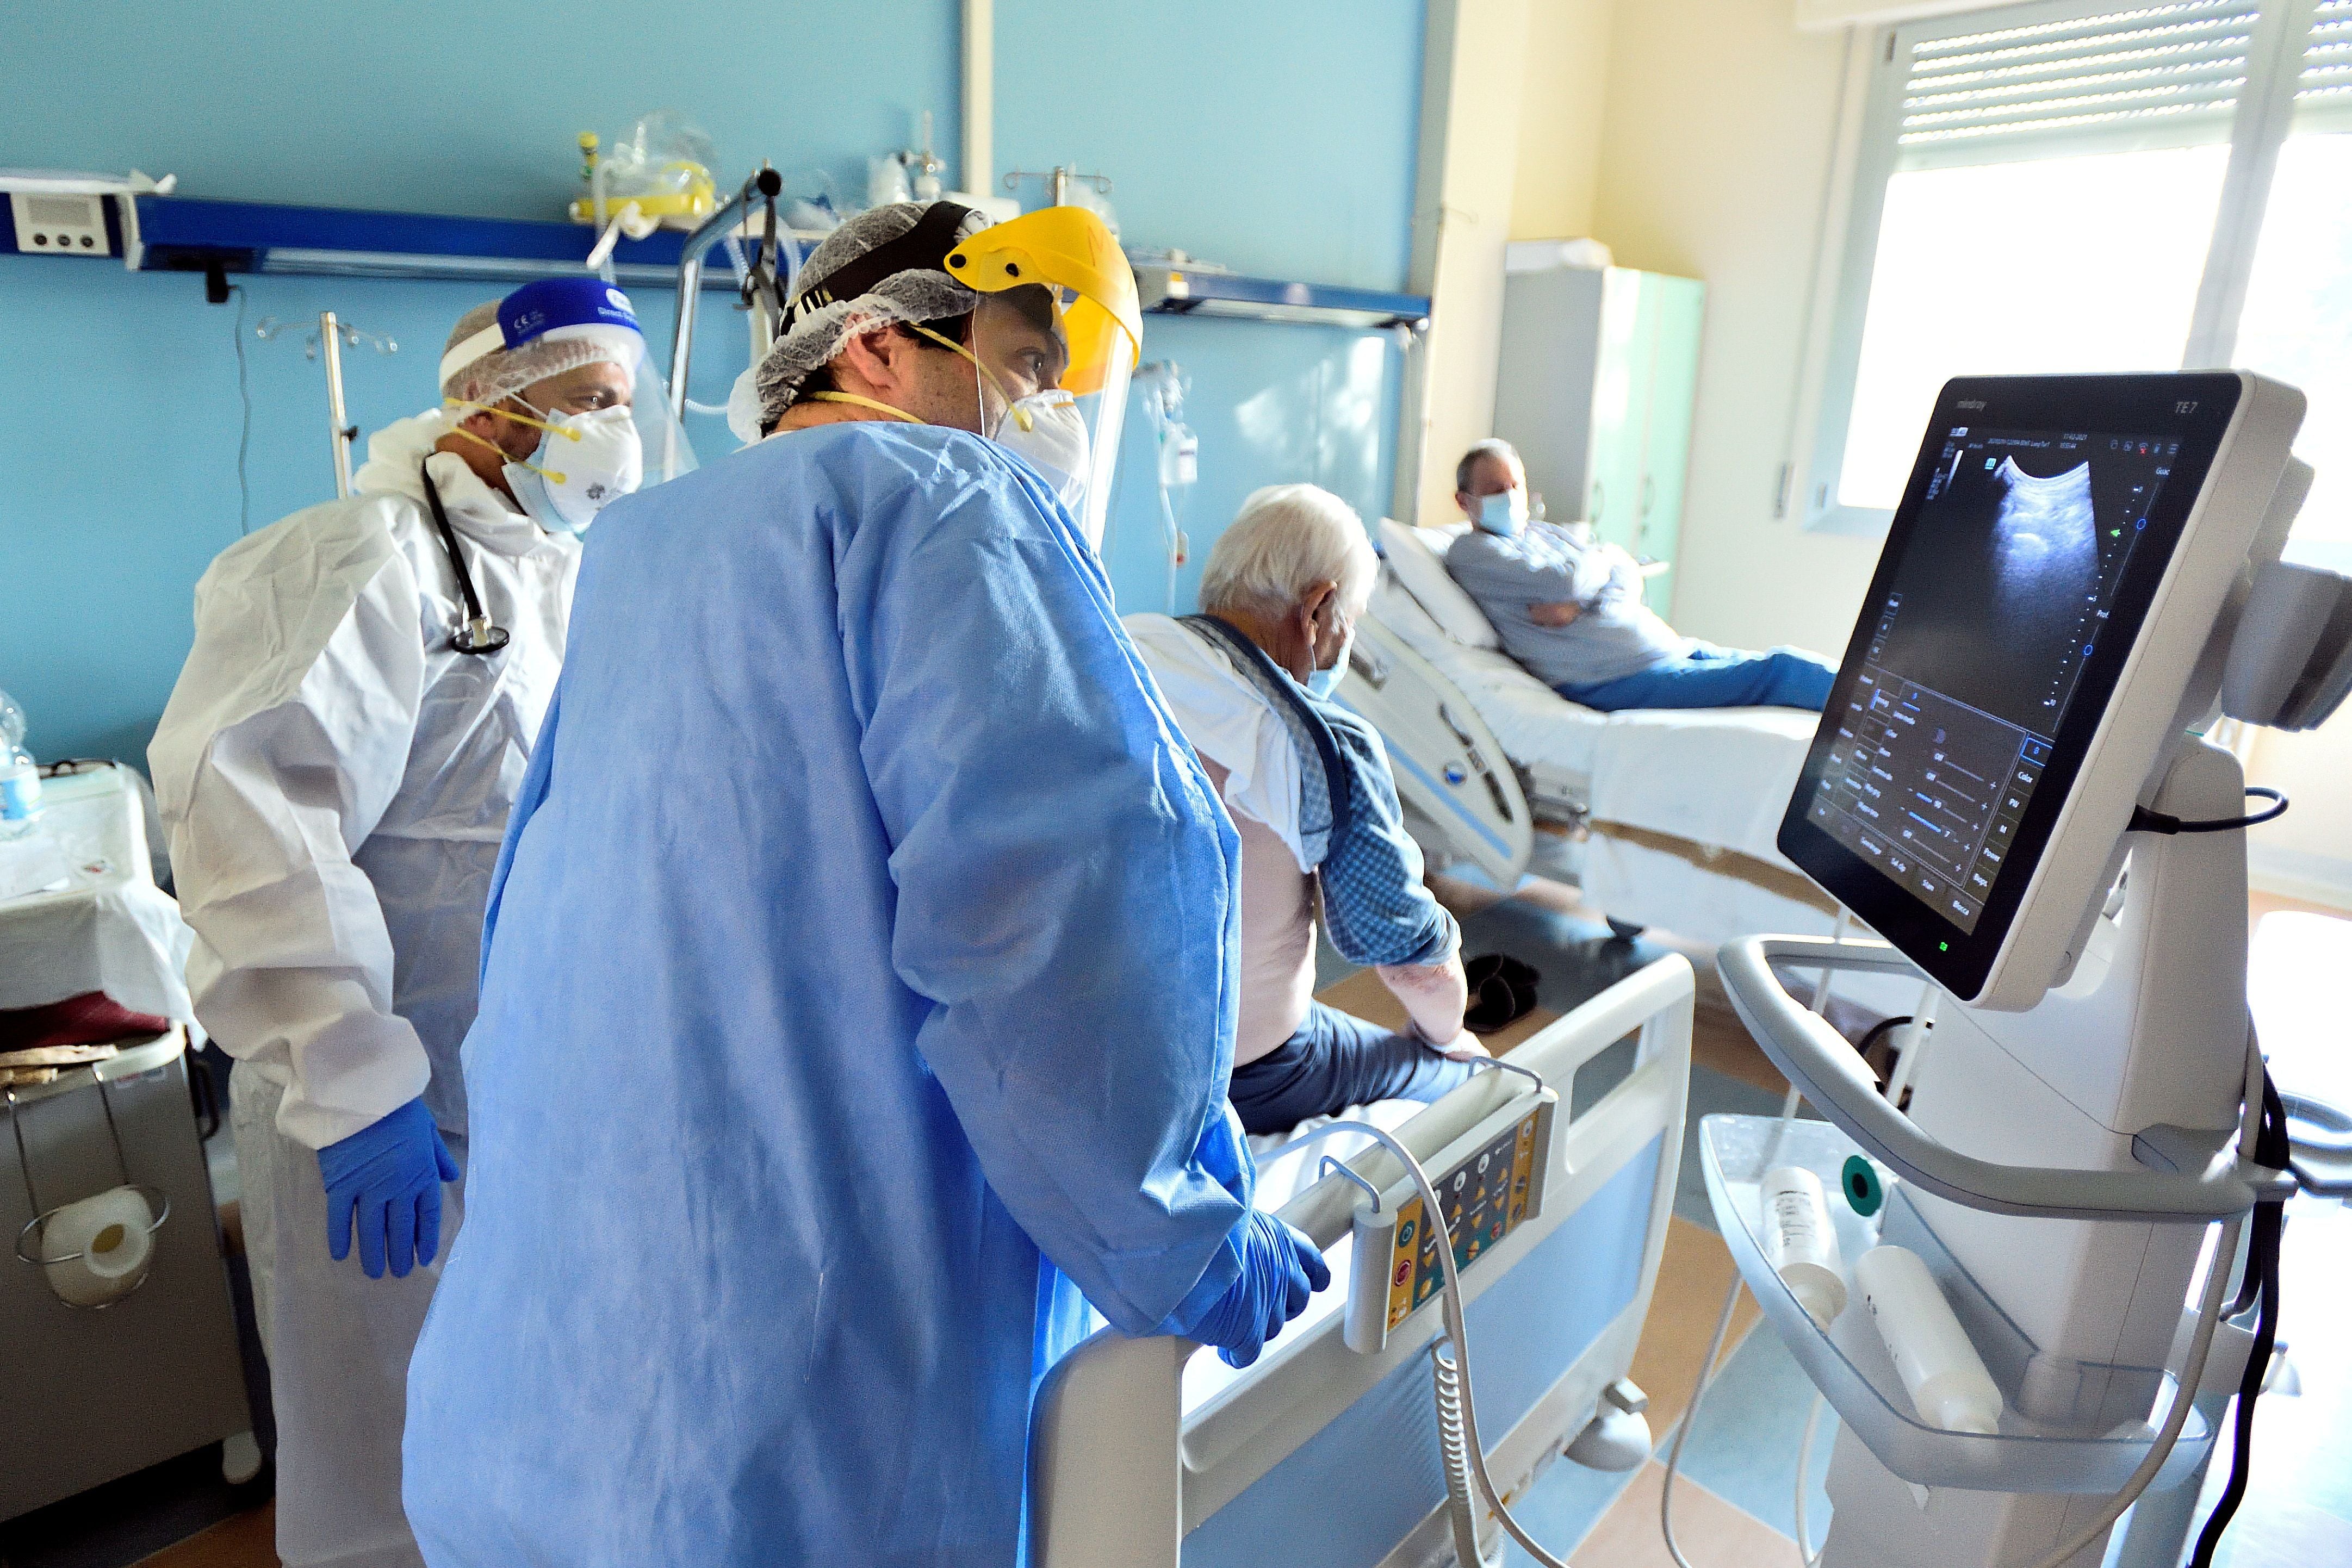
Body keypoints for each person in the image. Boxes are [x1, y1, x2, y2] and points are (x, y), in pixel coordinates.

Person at [400, 201, 1327, 1568]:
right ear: (881, 351)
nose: (1042, 413)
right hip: (799, 1440)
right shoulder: (940, 501)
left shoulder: (642, 548)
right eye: (1019, 367)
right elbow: (1054, 951)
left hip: (534, 1410)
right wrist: (1190, 1247)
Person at [149, 277, 663, 1568]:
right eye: (591, 405)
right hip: (376, 1110)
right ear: (493, 412)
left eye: (625, 406)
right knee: (392, 1459)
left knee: (531, 1435)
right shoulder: (356, 559)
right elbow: (248, 811)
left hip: (529, 1096)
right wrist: (353, 1075)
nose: (619, 436)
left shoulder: (559, 578)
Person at [1128, 486, 1488, 1137]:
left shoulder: (1118, 653)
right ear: (1319, 608)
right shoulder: (1319, 746)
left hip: (1092, 1054)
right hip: (1246, 1075)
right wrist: (1451, 1032)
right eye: (1351, 618)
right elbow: (1411, 960)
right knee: (1469, 1076)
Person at [1444, 438, 1834, 711]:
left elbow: (1624, 569)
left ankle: (1885, 711)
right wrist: (1596, 570)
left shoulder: (1542, 533)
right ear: (1464, 501)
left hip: (1667, 650)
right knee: (1783, 670)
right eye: (1497, 490)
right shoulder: (1474, 553)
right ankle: (1887, 719)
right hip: (1610, 680)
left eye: (1517, 485)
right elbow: (1564, 582)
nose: (1512, 498)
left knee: (1784, 665)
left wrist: (1588, 606)